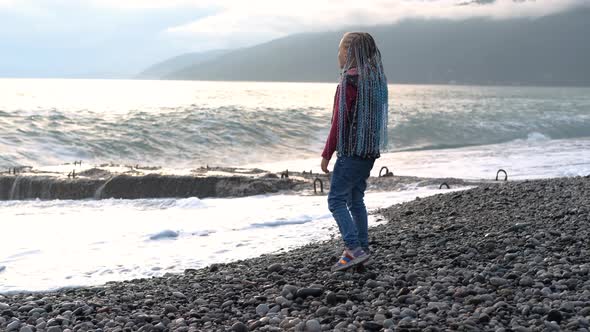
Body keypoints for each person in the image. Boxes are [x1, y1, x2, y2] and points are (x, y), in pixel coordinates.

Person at [320, 32, 388, 272]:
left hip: (350, 153)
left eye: (340, 50)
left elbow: (338, 124)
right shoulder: (375, 82)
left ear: (348, 54)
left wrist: (326, 153)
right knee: (355, 198)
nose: (337, 55)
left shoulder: (348, 83)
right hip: (368, 153)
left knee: (336, 200)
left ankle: (352, 249)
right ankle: (363, 249)